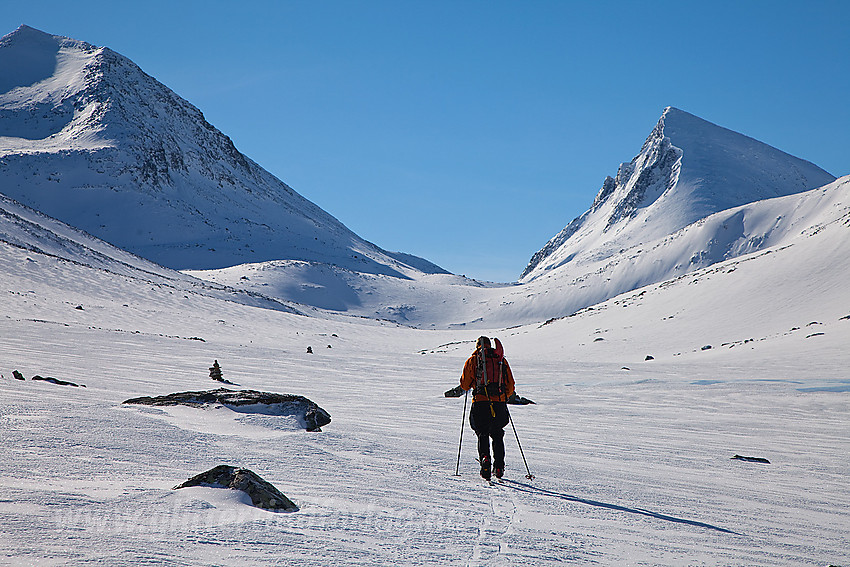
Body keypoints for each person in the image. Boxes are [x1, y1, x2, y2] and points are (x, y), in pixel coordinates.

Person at [459, 336, 515, 480]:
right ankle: (499, 466)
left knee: (482, 432)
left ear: (477, 345)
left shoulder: (473, 360)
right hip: (499, 403)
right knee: (497, 433)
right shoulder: (501, 359)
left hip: (480, 402)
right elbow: (510, 384)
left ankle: (485, 460)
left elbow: (465, 385)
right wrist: (504, 397)